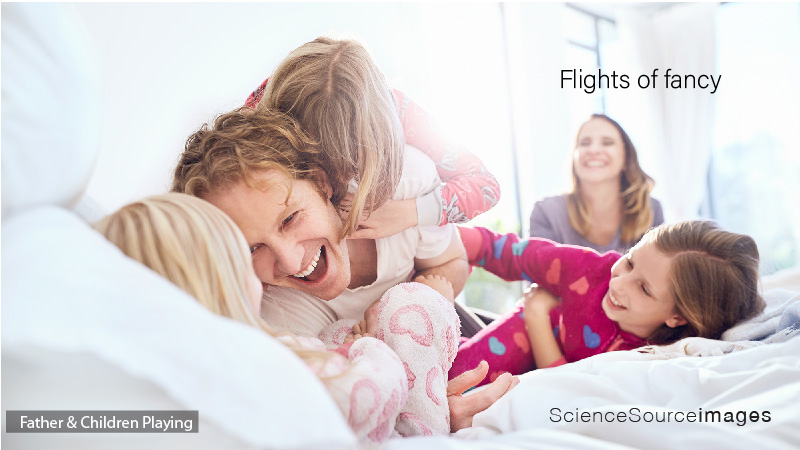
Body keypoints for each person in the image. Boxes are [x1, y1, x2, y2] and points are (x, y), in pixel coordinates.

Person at [172, 108, 518, 431]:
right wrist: (432, 409)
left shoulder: (402, 186)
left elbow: (451, 261)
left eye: (290, 218)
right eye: (251, 248)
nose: (290, 262)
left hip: (455, 328)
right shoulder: (276, 317)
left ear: (323, 185)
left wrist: (420, 302)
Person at [93, 193, 487, 442]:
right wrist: (371, 348)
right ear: (222, 280)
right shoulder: (263, 357)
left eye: (289, 219)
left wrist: (345, 341)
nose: (284, 261)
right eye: (246, 253)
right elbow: (368, 393)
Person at [449, 221, 765, 387]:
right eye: (629, 262)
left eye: (643, 288)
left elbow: (564, 387)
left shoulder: (651, 358)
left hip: (537, 338)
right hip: (511, 344)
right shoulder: (588, 270)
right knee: (459, 374)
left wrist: (535, 314)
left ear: (677, 317)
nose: (617, 283)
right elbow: (513, 253)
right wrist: (441, 237)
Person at [245, 36, 501, 240]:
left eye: (353, 163)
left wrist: (406, 213)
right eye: (319, 164)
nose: (339, 182)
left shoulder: (401, 112)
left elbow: (486, 186)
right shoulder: (258, 118)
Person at [529, 114, 664, 254]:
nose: (593, 150)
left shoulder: (650, 210)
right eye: (584, 143)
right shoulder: (545, 212)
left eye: (607, 143)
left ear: (625, 157)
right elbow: (540, 273)